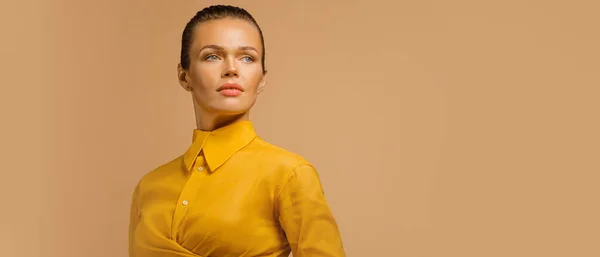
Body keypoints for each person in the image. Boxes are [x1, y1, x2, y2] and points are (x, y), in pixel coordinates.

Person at [128, 5, 346, 257]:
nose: (232, 69)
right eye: (212, 56)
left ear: (262, 78)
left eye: (247, 58)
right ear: (184, 76)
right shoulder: (148, 188)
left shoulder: (289, 175)